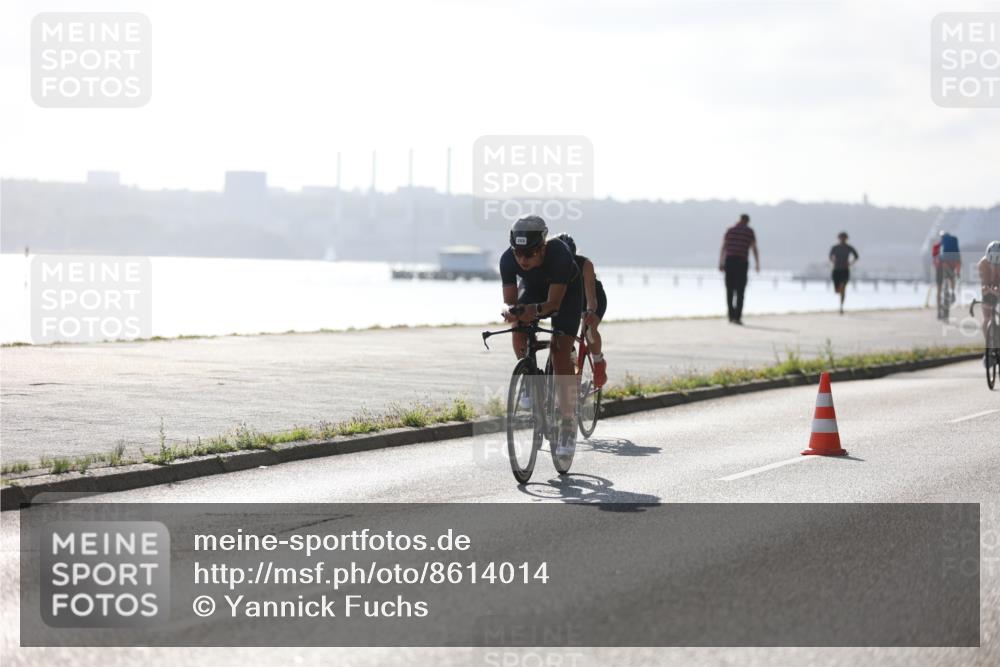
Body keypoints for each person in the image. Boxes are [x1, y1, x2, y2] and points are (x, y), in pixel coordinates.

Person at [499, 216, 582, 456]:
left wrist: (531, 311)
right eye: (518, 253)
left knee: (559, 350)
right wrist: (511, 311)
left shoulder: (559, 255)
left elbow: (553, 304)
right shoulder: (507, 259)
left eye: (529, 254)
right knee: (518, 324)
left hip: (566, 294)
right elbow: (510, 301)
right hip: (534, 288)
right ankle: (529, 376)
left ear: (542, 248)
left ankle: (567, 424)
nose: (522, 260)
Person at [555, 233, 608, 388]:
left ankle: (598, 362)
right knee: (562, 335)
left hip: (590, 296)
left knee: (588, 329)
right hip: (568, 298)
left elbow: (591, 297)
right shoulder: (549, 266)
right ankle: (571, 375)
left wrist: (590, 311)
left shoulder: (585, 265)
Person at [718, 213, 760, 324]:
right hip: (741, 263)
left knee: (729, 290)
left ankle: (731, 316)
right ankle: (737, 317)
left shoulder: (730, 230)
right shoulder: (749, 231)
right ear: (747, 221)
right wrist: (757, 263)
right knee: (740, 291)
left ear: (739, 220)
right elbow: (754, 248)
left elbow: (724, 247)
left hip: (730, 262)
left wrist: (721, 263)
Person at [978, 241, 1000, 365]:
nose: (996, 266)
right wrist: (987, 289)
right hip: (989, 291)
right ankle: (988, 350)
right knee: (987, 318)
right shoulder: (983, 264)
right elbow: (984, 284)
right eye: (993, 262)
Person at [829, 232, 859, 314]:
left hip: (845, 270)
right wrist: (833, 261)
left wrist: (850, 263)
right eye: (841, 238)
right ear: (838, 238)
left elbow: (856, 256)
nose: (842, 239)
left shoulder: (849, 248)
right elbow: (830, 256)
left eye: (844, 238)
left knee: (843, 288)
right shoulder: (835, 248)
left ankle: (841, 307)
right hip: (836, 270)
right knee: (837, 290)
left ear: (846, 239)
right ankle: (840, 293)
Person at [936, 230, 962, 319]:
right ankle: (952, 291)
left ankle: (939, 310)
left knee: (939, 289)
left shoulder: (940, 244)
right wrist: (958, 273)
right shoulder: (954, 244)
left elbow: (937, 259)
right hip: (953, 263)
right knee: (952, 278)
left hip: (942, 265)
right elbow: (959, 261)